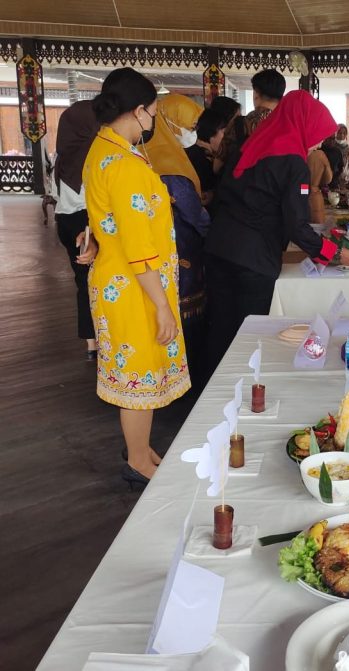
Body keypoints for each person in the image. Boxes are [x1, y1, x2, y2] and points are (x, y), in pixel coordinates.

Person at [83, 67, 190, 487]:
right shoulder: (124, 163)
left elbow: (101, 212)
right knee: (139, 376)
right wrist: (163, 306)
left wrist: (91, 235)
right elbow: (137, 245)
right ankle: (136, 461)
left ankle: (142, 450)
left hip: (121, 279)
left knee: (138, 371)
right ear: (139, 110)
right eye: (154, 113)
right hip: (134, 286)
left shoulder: (104, 148)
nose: (154, 122)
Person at [204, 91, 349, 371]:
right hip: (252, 261)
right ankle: (240, 397)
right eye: (317, 135)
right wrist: (336, 252)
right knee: (248, 336)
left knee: (219, 331)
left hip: (219, 249)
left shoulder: (251, 145)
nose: (316, 145)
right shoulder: (293, 161)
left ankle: (209, 401)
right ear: (304, 124)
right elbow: (296, 226)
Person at [144, 95, 211, 390]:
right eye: (189, 125)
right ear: (170, 125)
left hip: (153, 255)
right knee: (183, 319)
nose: (193, 132)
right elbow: (196, 217)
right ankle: (183, 381)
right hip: (181, 250)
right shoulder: (172, 168)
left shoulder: (143, 157)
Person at [53, 100, 100, 360]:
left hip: (65, 223)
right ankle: (103, 338)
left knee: (82, 282)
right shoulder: (92, 156)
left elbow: (54, 194)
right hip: (86, 222)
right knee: (98, 281)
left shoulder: (61, 158)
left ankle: (91, 344)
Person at [186, 108, 227, 206]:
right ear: (211, 133)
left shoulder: (197, 152)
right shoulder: (201, 158)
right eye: (224, 132)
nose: (227, 138)